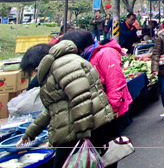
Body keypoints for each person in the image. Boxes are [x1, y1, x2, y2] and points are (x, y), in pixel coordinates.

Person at [19, 35, 116, 168]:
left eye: (33, 71)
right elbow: (52, 108)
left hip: (87, 129)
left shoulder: (64, 66)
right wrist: (30, 133)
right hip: (80, 129)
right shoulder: (56, 68)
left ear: (39, 63)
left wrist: (83, 135)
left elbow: (81, 98)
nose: (34, 74)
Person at [63, 29, 133, 138]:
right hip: (102, 109)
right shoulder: (88, 57)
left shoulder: (105, 54)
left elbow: (115, 83)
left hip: (111, 109)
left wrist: (113, 109)